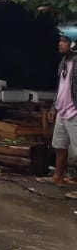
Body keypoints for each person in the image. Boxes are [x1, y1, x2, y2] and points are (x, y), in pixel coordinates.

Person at [44, 25, 77, 193]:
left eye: (64, 41)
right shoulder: (64, 62)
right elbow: (61, 87)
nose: (60, 43)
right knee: (59, 145)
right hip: (62, 110)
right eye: (60, 40)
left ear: (74, 44)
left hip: (74, 112)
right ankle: (58, 176)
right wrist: (54, 107)